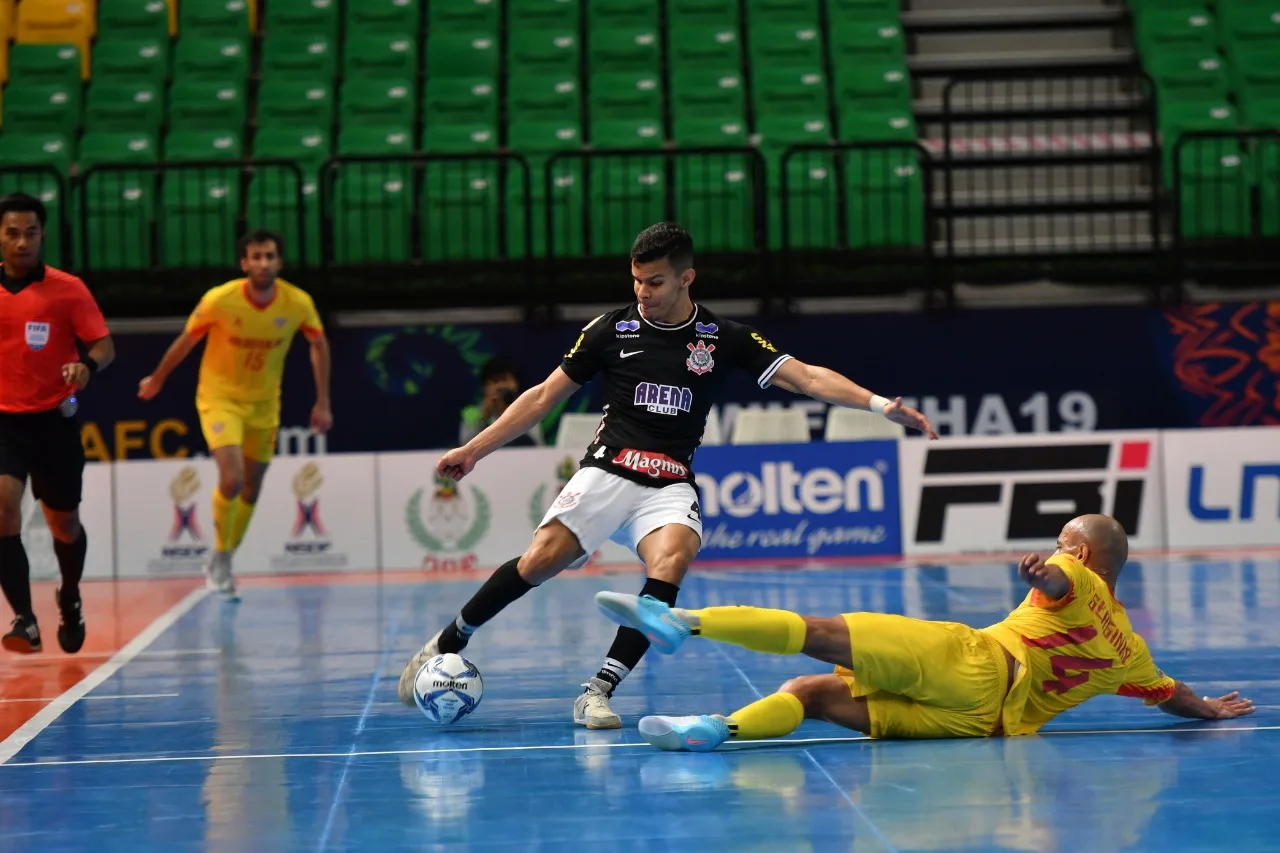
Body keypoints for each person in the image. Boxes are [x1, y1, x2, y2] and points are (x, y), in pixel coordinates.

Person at [397, 222, 938, 728]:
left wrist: (876, 405)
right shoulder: (610, 329)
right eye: (636, 281)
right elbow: (541, 397)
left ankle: (599, 689)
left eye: (655, 282)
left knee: (672, 561)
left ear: (686, 278)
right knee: (539, 562)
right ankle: (449, 640)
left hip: (670, 480)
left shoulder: (722, 337)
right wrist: (475, 449)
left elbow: (808, 377)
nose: (643, 292)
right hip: (608, 469)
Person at [594, 513, 1257, 751]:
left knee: (822, 633)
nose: (1056, 551)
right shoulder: (1130, 651)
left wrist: (1043, 572)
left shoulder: (1072, 575)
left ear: (1082, 555)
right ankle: (717, 731)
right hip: (982, 724)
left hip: (975, 661)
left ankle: (678, 621)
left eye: (1063, 542)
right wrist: (1209, 708)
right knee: (815, 692)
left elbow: (1056, 583)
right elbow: (1170, 693)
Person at [138, 229, 332, 600]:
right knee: (232, 478)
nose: (263, 263)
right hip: (219, 398)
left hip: (264, 405)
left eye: (270, 256)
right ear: (244, 263)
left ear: (280, 261)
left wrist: (322, 401)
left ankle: (224, 554)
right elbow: (187, 339)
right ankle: (221, 557)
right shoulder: (220, 300)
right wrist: (158, 378)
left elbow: (319, 344)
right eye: (256, 257)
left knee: (252, 486)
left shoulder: (297, 303)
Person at [0, 192, 115, 654]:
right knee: (2, 508)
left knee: (64, 525)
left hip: (53, 423)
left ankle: (69, 595)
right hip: (4, 424)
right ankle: (24, 619)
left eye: (30, 232)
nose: (22, 241)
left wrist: (86, 365)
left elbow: (105, 346)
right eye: (12, 232)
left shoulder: (68, 289)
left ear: (42, 235)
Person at [458, 357, 544, 447]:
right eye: (495, 381)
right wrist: (484, 418)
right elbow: (465, 448)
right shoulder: (471, 413)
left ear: (515, 384)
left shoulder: (528, 410)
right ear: (485, 387)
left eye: (504, 380)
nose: (500, 386)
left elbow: (537, 445)